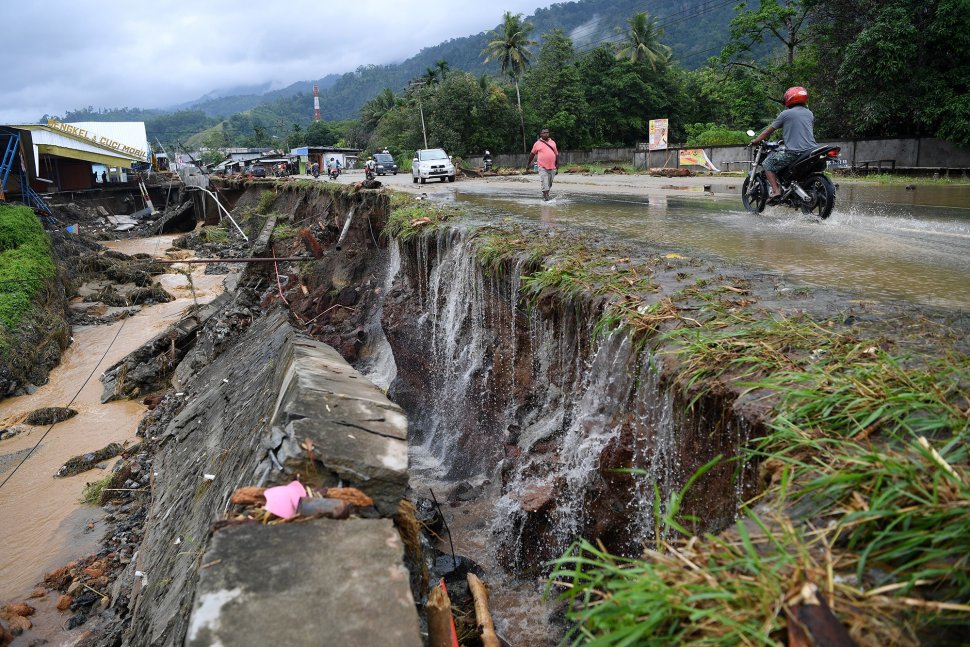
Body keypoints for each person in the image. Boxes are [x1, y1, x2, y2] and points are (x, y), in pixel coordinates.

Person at [749, 86, 817, 202]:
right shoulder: (809, 113)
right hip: (811, 151)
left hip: (794, 153)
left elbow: (768, 131)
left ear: (789, 98)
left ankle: (776, 191)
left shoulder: (785, 114)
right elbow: (799, 129)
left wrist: (756, 140)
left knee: (767, 164)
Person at [526, 128, 559, 201]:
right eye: (544, 132)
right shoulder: (537, 143)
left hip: (552, 167)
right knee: (544, 183)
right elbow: (532, 154)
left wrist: (557, 164)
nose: (546, 133)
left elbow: (556, 154)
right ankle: (546, 198)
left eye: (547, 132)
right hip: (542, 167)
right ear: (541, 134)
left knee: (549, 184)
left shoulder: (553, 142)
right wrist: (528, 164)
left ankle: (546, 195)